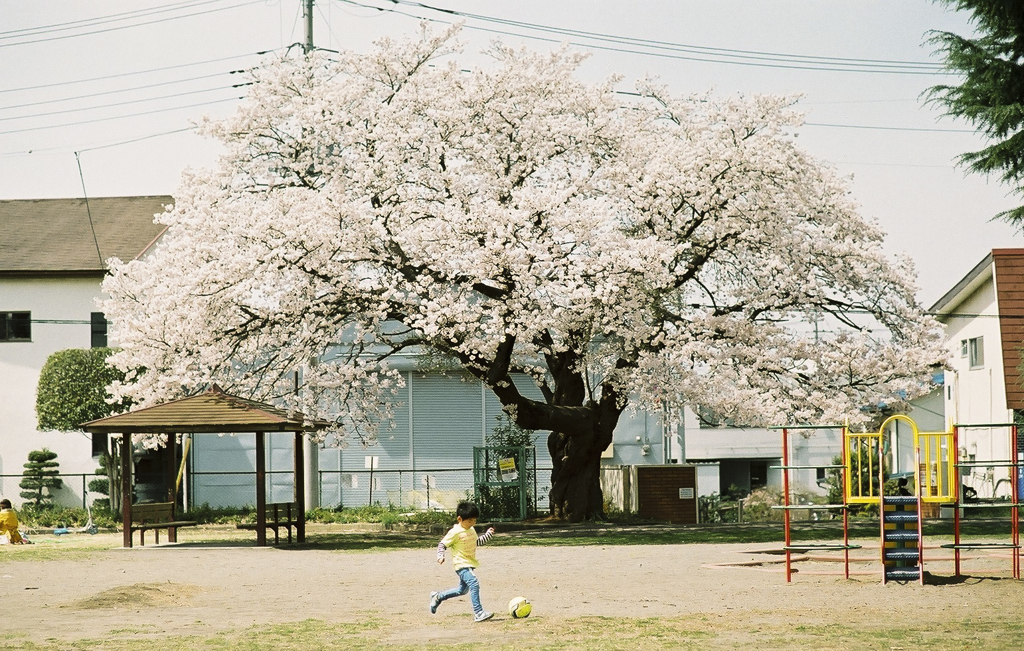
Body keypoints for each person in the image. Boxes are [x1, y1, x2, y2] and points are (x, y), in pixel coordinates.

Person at [429, 501, 496, 622]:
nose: (473, 523)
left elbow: (476, 542)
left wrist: (488, 535)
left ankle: (438, 597)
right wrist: (440, 556)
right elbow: (442, 544)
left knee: (462, 590)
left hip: (469, 563)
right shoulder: (455, 532)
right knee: (474, 584)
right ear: (460, 519)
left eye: (474, 520)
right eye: (470, 521)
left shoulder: (471, 530)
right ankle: (478, 612)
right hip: (461, 565)